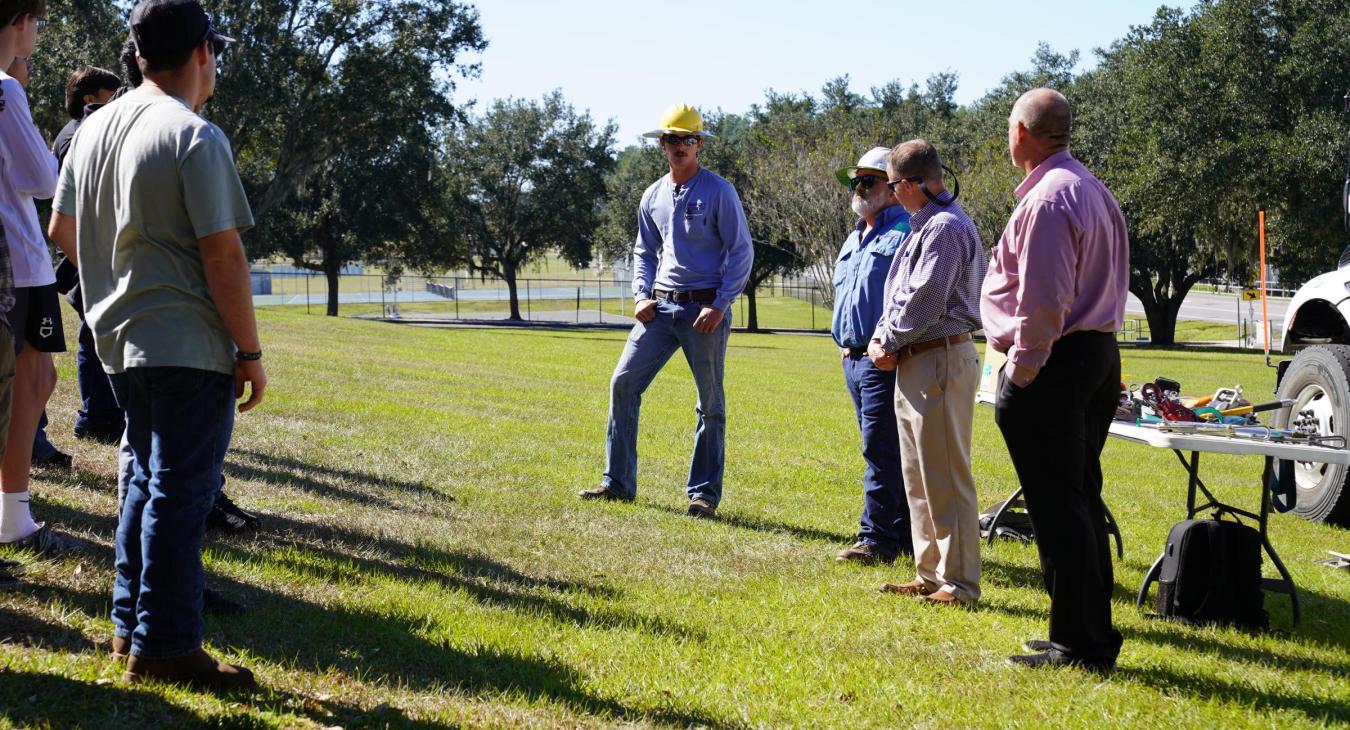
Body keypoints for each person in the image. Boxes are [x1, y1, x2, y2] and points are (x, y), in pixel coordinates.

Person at [50, 0, 264, 688]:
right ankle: (167, 643)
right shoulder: (194, 135)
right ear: (203, 52)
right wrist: (251, 352)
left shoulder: (93, 128)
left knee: (144, 480)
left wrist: (121, 278)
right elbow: (224, 256)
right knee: (180, 492)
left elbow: (61, 229)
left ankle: (129, 630)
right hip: (184, 342)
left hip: (116, 341)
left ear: (139, 56)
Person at [983, 88, 1129, 673]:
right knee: (1077, 500)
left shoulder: (1048, 199)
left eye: (1008, 127)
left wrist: (1020, 370)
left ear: (1022, 132)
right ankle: (1084, 632)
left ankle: (1081, 644)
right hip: (1094, 356)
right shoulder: (1093, 190)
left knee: (1059, 507)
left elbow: (1044, 300)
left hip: (1055, 362)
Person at [579, 104, 753, 519]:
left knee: (709, 402)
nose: (679, 147)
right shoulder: (652, 194)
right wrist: (641, 295)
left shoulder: (719, 191)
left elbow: (741, 251)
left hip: (703, 310)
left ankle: (703, 495)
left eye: (688, 140)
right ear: (661, 144)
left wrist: (720, 303)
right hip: (660, 307)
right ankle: (617, 483)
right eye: (672, 139)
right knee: (623, 383)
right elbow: (644, 250)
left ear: (700, 145)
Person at [868, 139, 985, 606]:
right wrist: (884, 336)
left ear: (915, 183)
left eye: (896, 186)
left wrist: (888, 340)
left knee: (946, 474)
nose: (894, 195)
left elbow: (927, 300)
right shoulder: (924, 227)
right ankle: (931, 573)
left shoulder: (944, 228)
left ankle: (960, 583)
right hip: (918, 358)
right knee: (917, 475)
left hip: (940, 354)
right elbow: (898, 294)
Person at [0, 0, 75, 553]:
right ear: (20, 19)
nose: (39, 34)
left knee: (38, 380)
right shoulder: (6, 90)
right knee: (28, 384)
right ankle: (13, 515)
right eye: (39, 21)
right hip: (19, 261)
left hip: (22, 259)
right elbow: (43, 175)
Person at [829, 147, 912, 564]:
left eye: (868, 181)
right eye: (855, 181)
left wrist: (885, 346)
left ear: (894, 188)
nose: (858, 189)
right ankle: (902, 536)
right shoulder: (854, 236)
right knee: (881, 448)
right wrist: (845, 344)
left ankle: (876, 539)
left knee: (880, 450)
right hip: (854, 359)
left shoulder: (906, 233)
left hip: (886, 360)